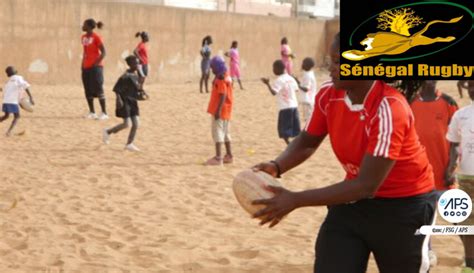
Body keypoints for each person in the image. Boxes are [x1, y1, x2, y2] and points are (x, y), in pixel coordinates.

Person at [252, 33, 436, 273]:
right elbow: (308, 141)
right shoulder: (329, 95)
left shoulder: (389, 107)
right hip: (354, 203)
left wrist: (295, 199)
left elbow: (366, 185)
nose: (330, 68)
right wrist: (277, 166)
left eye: (338, 62)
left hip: (405, 207)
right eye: (331, 60)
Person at [410, 80, 458, 267]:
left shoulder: (448, 103)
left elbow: (458, 139)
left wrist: (452, 167)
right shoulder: (411, 102)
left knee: (459, 217)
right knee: (423, 221)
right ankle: (427, 252)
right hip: (419, 178)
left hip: (444, 175)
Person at [446, 80, 474, 273]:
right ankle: (470, 265)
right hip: (465, 178)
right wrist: (450, 168)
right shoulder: (461, 115)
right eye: (470, 86)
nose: (472, 90)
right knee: (465, 224)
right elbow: (454, 144)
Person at [102, 56, 142, 152]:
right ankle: (108, 131)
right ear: (130, 65)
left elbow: (140, 84)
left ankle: (129, 144)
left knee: (136, 123)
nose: (138, 65)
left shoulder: (135, 74)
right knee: (126, 124)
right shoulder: (125, 76)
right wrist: (118, 100)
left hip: (133, 101)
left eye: (138, 63)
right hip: (125, 101)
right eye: (136, 63)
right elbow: (116, 89)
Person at [261, 60, 300, 145]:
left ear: (278, 69)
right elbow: (296, 89)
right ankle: (296, 145)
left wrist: (267, 84)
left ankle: (290, 145)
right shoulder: (290, 78)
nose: (273, 70)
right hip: (294, 106)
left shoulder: (279, 80)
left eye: (274, 68)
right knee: (295, 129)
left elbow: (274, 92)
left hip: (285, 108)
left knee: (284, 131)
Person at [205, 56, 233, 166]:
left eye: (213, 68)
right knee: (226, 133)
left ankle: (218, 158)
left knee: (218, 133)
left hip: (220, 111)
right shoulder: (226, 76)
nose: (212, 70)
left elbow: (223, 94)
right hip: (227, 110)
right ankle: (229, 155)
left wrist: (218, 110)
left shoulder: (220, 79)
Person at [81, 18, 108, 120]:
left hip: (96, 68)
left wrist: (95, 64)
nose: (82, 26)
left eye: (84, 24)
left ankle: (104, 113)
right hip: (86, 67)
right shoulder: (83, 37)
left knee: (98, 88)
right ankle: (92, 112)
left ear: (89, 26)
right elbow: (85, 52)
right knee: (87, 89)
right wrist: (82, 65)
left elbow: (104, 52)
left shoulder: (96, 37)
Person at [0, 66, 34, 136]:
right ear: (16, 72)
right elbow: (25, 86)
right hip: (12, 101)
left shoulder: (9, 81)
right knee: (17, 116)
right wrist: (31, 97)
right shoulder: (18, 78)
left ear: (8, 75)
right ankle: (9, 132)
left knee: (6, 116)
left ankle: (9, 132)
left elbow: (6, 92)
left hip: (6, 101)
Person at [296, 57, 317, 124]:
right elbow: (304, 85)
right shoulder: (309, 73)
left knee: (308, 121)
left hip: (308, 101)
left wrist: (298, 86)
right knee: (308, 120)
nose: (302, 65)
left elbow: (306, 89)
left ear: (307, 65)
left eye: (303, 63)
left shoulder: (308, 76)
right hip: (308, 101)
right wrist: (296, 80)